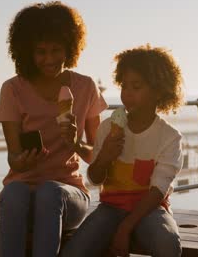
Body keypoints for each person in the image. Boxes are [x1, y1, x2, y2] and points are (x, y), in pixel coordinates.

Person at [0, 1, 108, 257]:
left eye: (56, 50)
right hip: (23, 195)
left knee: (49, 191)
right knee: (13, 191)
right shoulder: (13, 89)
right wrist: (22, 161)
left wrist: (76, 144)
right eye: (40, 52)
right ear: (27, 52)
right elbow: (13, 157)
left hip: (68, 195)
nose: (50, 59)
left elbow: (97, 155)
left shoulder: (85, 87)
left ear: (70, 47)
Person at [60, 44, 185, 257]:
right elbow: (95, 178)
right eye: (124, 86)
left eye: (136, 87)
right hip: (110, 207)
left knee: (168, 244)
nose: (127, 94)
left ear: (158, 91)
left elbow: (158, 191)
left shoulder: (169, 137)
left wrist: (125, 227)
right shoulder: (108, 127)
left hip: (149, 210)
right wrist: (105, 157)